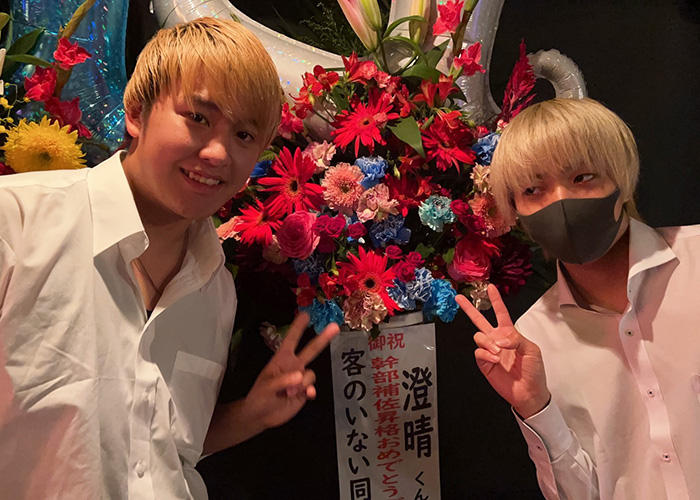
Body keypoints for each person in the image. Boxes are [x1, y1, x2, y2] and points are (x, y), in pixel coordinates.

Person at [0, 17, 338, 499]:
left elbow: (161, 450)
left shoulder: (214, 286)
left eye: (244, 135)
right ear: (137, 112)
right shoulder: (17, 222)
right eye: (198, 117)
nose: (218, 153)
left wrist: (250, 415)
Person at [456, 98, 700, 500]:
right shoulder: (532, 340)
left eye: (582, 177)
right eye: (533, 189)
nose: (560, 201)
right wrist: (536, 407)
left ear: (621, 179)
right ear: (515, 210)